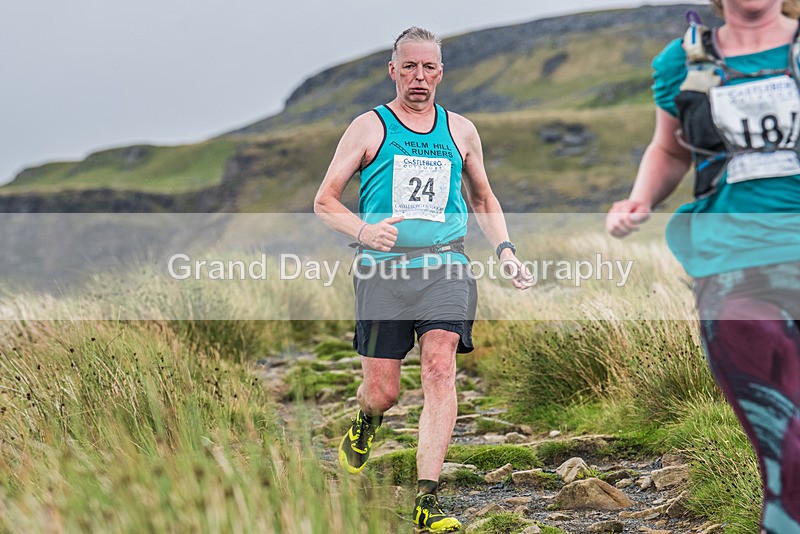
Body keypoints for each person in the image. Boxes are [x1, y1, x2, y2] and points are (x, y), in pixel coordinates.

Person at [314, 26, 531, 532]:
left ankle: (427, 501)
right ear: (393, 71)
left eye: (428, 67)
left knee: (439, 365)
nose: (418, 76)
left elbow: (482, 198)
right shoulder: (370, 127)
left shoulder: (461, 130)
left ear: (441, 72)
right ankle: (367, 421)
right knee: (383, 391)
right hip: (381, 273)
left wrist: (505, 249)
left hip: (446, 265)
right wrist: (365, 231)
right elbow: (325, 200)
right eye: (408, 66)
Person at [607, 1, 800, 532]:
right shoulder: (685, 61)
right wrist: (639, 200)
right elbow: (670, 151)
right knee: (788, 445)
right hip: (733, 270)